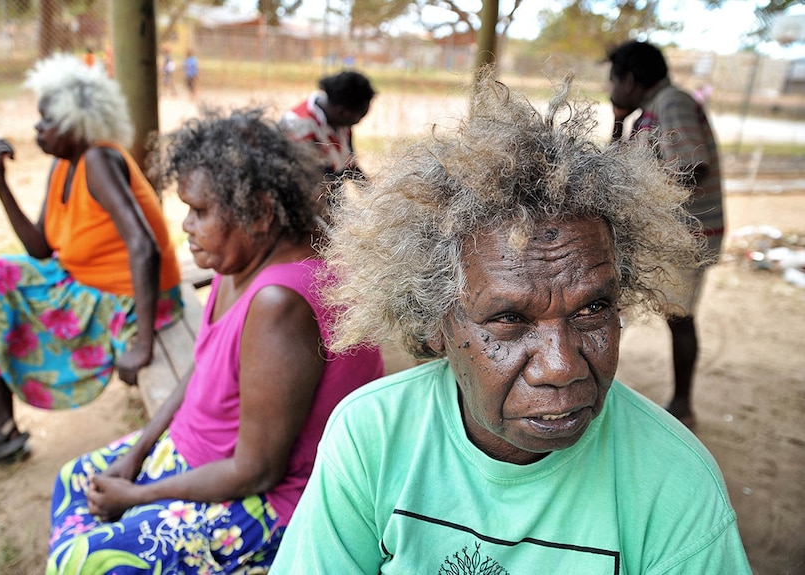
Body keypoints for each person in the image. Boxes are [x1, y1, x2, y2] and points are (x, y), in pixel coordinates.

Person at [270, 72, 750, 573]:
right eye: (509, 319)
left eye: (592, 309)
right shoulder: (372, 436)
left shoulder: (676, 483)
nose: (562, 366)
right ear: (437, 323)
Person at [46, 109, 385, 574]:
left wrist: (141, 495)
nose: (186, 225)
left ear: (261, 212)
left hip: (271, 499)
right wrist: (136, 452)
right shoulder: (238, 264)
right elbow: (203, 364)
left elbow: (258, 471)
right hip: (202, 453)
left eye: (200, 211)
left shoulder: (279, 303)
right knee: (73, 481)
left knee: (88, 559)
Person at [0, 54, 183, 486]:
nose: (37, 129)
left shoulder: (98, 161)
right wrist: (0, 184)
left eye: (46, 121)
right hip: (81, 280)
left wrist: (143, 345)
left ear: (79, 123)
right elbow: (39, 248)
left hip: (130, 299)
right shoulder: (64, 165)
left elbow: (143, 249)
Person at [607, 40, 725, 428]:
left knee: (678, 316)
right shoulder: (648, 113)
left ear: (629, 78)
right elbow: (614, 171)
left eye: (613, 79)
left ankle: (683, 405)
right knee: (615, 304)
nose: (610, 88)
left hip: (686, 236)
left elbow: (693, 167)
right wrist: (618, 122)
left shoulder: (671, 103)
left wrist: (649, 197)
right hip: (668, 234)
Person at [280, 70, 375, 211]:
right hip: (307, 207)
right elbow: (319, 182)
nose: (357, 123)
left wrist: (376, 197)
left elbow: (349, 166)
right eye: (359, 117)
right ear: (343, 112)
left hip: (332, 199)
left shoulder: (340, 122)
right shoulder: (299, 124)